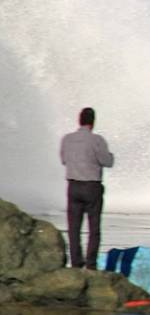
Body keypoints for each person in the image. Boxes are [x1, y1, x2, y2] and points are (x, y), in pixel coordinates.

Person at [58, 107, 114, 269]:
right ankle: (90, 264)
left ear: (79, 120)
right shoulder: (96, 140)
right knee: (93, 227)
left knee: (74, 227)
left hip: (73, 186)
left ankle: (76, 263)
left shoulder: (67, 139)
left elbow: (63, 159)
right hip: (91, 186)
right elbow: (107, 161)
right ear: (93, 122)